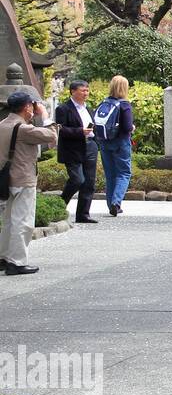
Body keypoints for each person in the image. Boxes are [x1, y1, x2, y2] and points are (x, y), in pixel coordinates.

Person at [0, 91, 59, 275]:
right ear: (26, 107)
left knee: (9, 220)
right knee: (22, 221)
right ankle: (17, 262)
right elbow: (52, 136)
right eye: (32, 105)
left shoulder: (2, 124)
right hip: (23, 178)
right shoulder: (24, 129)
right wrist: (45, 115)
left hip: (5, 178)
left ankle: (3, 257)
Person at [55, 80, 99, 224]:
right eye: (82, 90)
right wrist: (80, 131)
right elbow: (61, 130)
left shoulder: (88, 108)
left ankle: (83, 214)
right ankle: (59, 206)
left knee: (89, 182)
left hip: (90, 146)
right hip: (72, 149)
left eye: (87, 90)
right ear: (73, 91)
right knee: (77, 180)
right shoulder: (63, 108)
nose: (86, 93)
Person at [94, 75, 136, 216]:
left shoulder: (104, 103)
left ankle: (110, 204)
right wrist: (133, 128)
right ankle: (116, 202)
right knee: (124, 173)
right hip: (121, 142)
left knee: (110, 174)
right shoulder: (124, 105)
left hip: (104, 142)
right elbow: (127, 127)